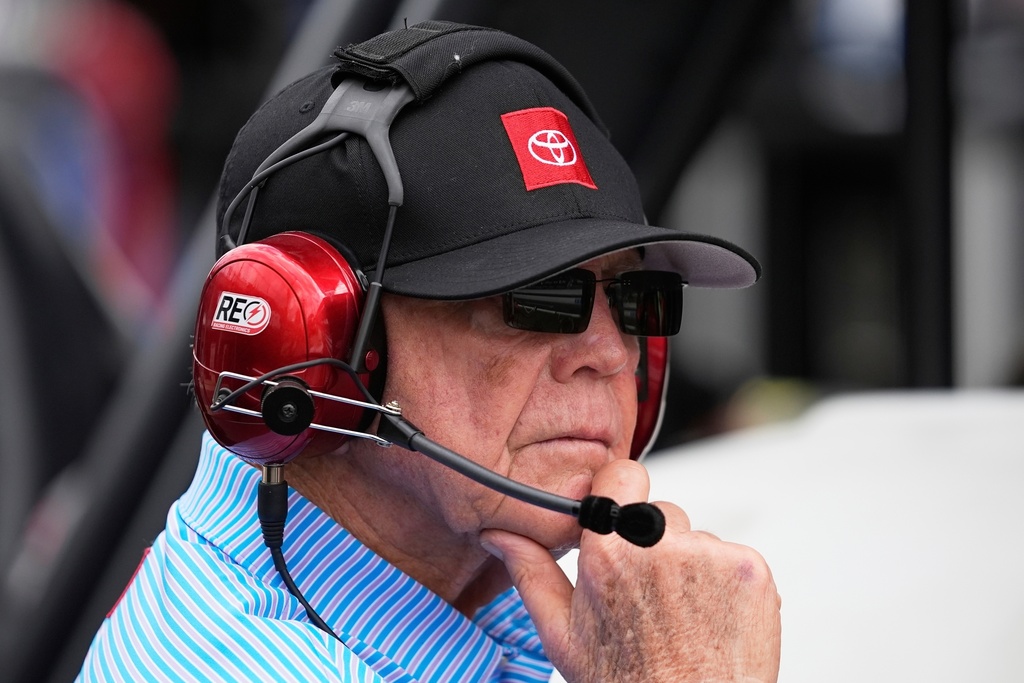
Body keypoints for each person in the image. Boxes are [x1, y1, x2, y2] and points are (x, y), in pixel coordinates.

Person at [78, 20, 781, 682]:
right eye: (536, 299)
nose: (608, 351)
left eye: (636, 303)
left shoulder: (465, 577)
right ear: (311, 348)